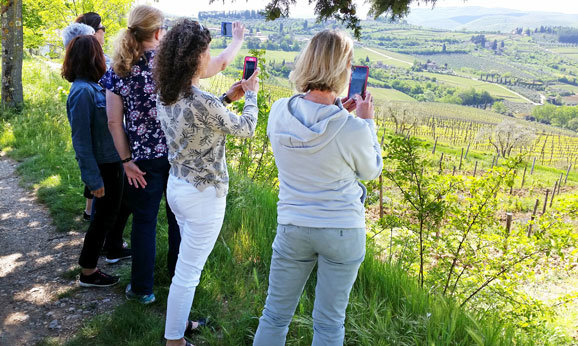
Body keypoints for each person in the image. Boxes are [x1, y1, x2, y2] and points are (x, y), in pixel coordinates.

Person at [103, 5, 247, 305]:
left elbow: (114, 122)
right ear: (158, 33)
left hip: (140, 160)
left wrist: (126, 161)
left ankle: (142, 289)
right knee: (178, 221)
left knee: (144, 222)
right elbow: (218, 64)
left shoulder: (118, 68)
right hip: (178, 153)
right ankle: (178, 276)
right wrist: (236, 41)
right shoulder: (171, 64)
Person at [253, 29, 383, 345]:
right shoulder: (352, 127)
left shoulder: (279, 112)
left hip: (293, 225)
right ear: (343, 68)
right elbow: (371, 171)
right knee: (329, 325)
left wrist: (340, 112)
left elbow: (311, 133)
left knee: (274, 315)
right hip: (341, 229)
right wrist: (366, 121)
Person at [153, 18, 260, 346]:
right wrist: (251, 96)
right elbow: (245, 128)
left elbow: (197, 119)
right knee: (188, 273)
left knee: (185, 265)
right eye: (207, 50)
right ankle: (174, 340)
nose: (210, 55)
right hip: (204, 196)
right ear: (193, 58)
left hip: (178, 187)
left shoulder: (166, 91)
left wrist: (226, 98)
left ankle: (181, 323)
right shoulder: (204, 102)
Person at [62, 35, 129, 287]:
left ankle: (112, 248)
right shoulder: (81, 93)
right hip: (103, 167)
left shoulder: (95, 87)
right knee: (101, 218)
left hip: (114, 163)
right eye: (100, 52)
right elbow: (81, 142)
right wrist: (92, 179)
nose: (104, 57)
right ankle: (88, 271)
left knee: (121, 207)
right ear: (91, 58)